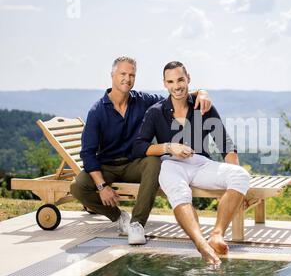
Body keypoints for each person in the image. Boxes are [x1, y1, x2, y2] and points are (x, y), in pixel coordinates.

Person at [70, 56, 212, 245]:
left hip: (135, 164)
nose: (127, 79)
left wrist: (202, 92)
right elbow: (87, 153)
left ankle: (137, 224)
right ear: (112, 75)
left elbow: (176, 94)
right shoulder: (97, 111)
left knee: (154, 162)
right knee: (77, 186)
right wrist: (102, 187)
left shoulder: (143, 101)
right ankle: (120, 218)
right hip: (106, 167)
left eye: (132, 75)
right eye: (123, 74)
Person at [132, 61, 250, 265]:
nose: (176, 86)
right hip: (171, 164)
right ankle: (201, 244)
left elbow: (224, 143)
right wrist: (169, 147)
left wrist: (239, 190)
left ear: (188, 79)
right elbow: (139, 147)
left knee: (240, 175)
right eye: (170, 81)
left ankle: (217, 234)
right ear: (165, 84)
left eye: (180, 79)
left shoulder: (203, 106)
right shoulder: (155, 112)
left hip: (201, 164)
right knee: (180, 193)